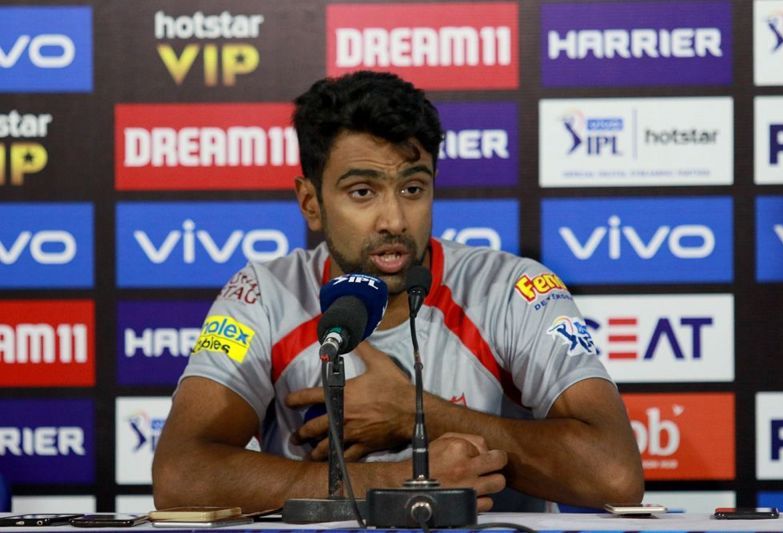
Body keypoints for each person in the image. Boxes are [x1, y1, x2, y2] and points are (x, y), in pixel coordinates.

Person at [152, 70, 644, 513]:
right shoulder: (264, 295)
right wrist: (402, 480)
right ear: (311, 203)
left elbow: (614, 475)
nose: (393, 221)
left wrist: (418, 412)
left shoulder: (510, 289)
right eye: (362, 192)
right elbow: (181, 475)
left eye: (412, 189)